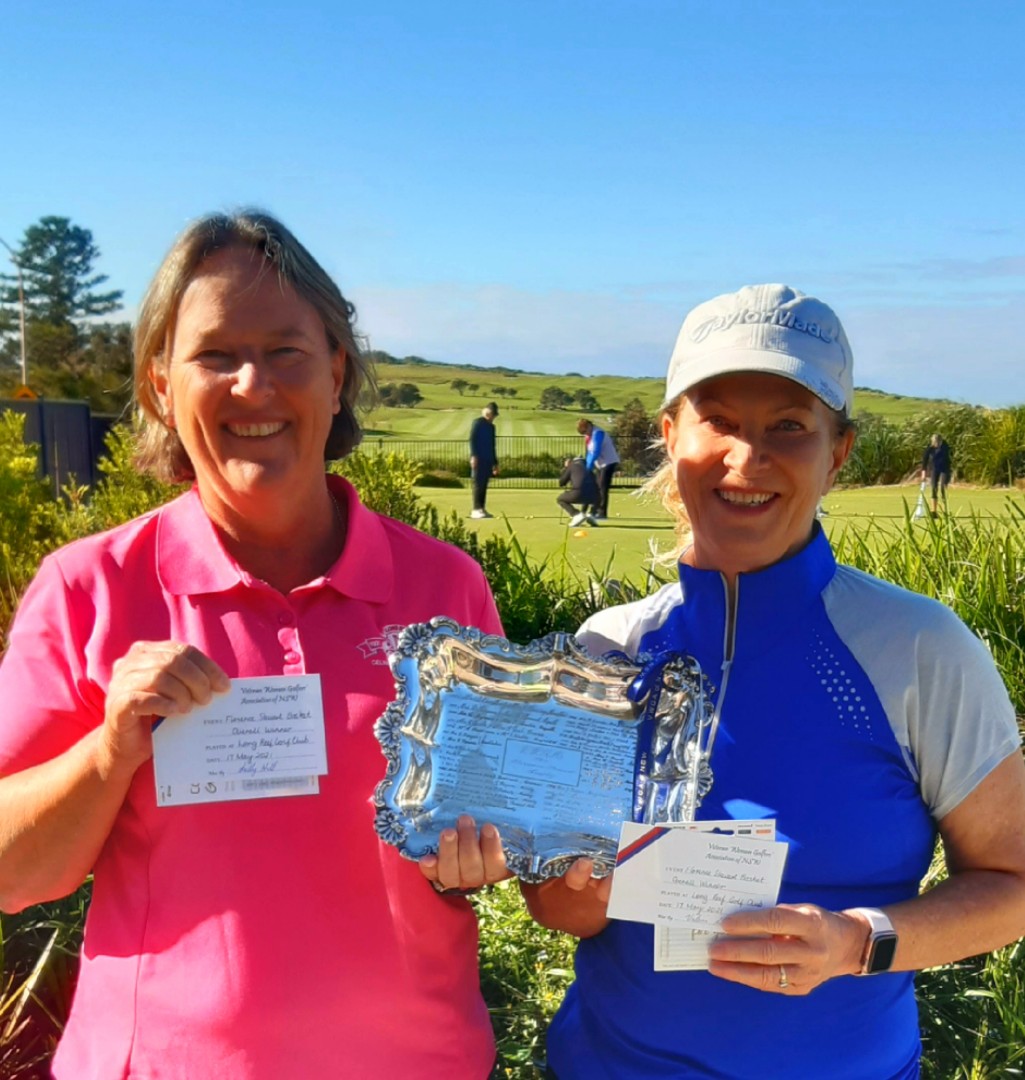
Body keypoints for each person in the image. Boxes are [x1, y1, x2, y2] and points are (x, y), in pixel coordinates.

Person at [0, 210, 508, 1079]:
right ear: (161, 383)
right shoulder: (90, 587)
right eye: (214, 356)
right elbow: (13, 871)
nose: (252, 385)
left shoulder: (444, 588)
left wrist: (482, 856)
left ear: (337, 371)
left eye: (285, 352)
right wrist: (109, 750)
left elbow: (493, 828)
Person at [524, 284, 1025, 1079]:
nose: (745, 459)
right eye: (716, 420)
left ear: (838, 451)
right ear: (668, 435)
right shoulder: (603, 651)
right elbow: (562, 911)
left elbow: (1011, 883)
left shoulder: (919, 646)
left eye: (787, 427)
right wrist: (577, 888)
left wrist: (858, 941)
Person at [577, 417, 620, 519]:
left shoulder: (598, 433)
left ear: (588, 426)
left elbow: (595, 451)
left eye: (585, 431)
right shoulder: (588, 436)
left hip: (609, 462)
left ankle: (602, 513)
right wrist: (587, 466)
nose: (585, 434)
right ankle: (594, 511)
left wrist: (588, 468)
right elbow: (589, 453)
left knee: (602, 488)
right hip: (600, 464)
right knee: (596, 487)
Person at [469, 401, 499, 519]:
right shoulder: (478, 423)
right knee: (478, 483)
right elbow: (473, 440)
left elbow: (492, 445)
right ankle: (476, 509)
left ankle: (481, 508)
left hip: (487, 459)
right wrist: (474, 456)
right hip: (478, 458)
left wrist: (495, 464)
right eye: (492, 414)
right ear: (487, 412)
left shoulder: (491, 427)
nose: (493, 417)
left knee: (484, 485)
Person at [557, 456, 600, 527]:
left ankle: (576, 514)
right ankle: (591, 514)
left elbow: (561, 482)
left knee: (560, 499)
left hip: (578, 493)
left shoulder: (572, 466)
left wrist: (566, 468)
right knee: (591, 493)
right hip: (595, 497)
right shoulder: (589, 468)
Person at [921, 432, 952, 515]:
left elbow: (949, 458)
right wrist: (924, 473)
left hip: (945, 470)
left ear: (941, 441)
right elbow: (925, 460)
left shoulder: (945, 447)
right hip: (934, 469)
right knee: (934, 488)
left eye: (938, 442)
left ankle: (945, 510)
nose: (937, 444)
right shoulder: (930, 448)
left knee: (943, 488)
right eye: (935, 443)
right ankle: (933, 511)